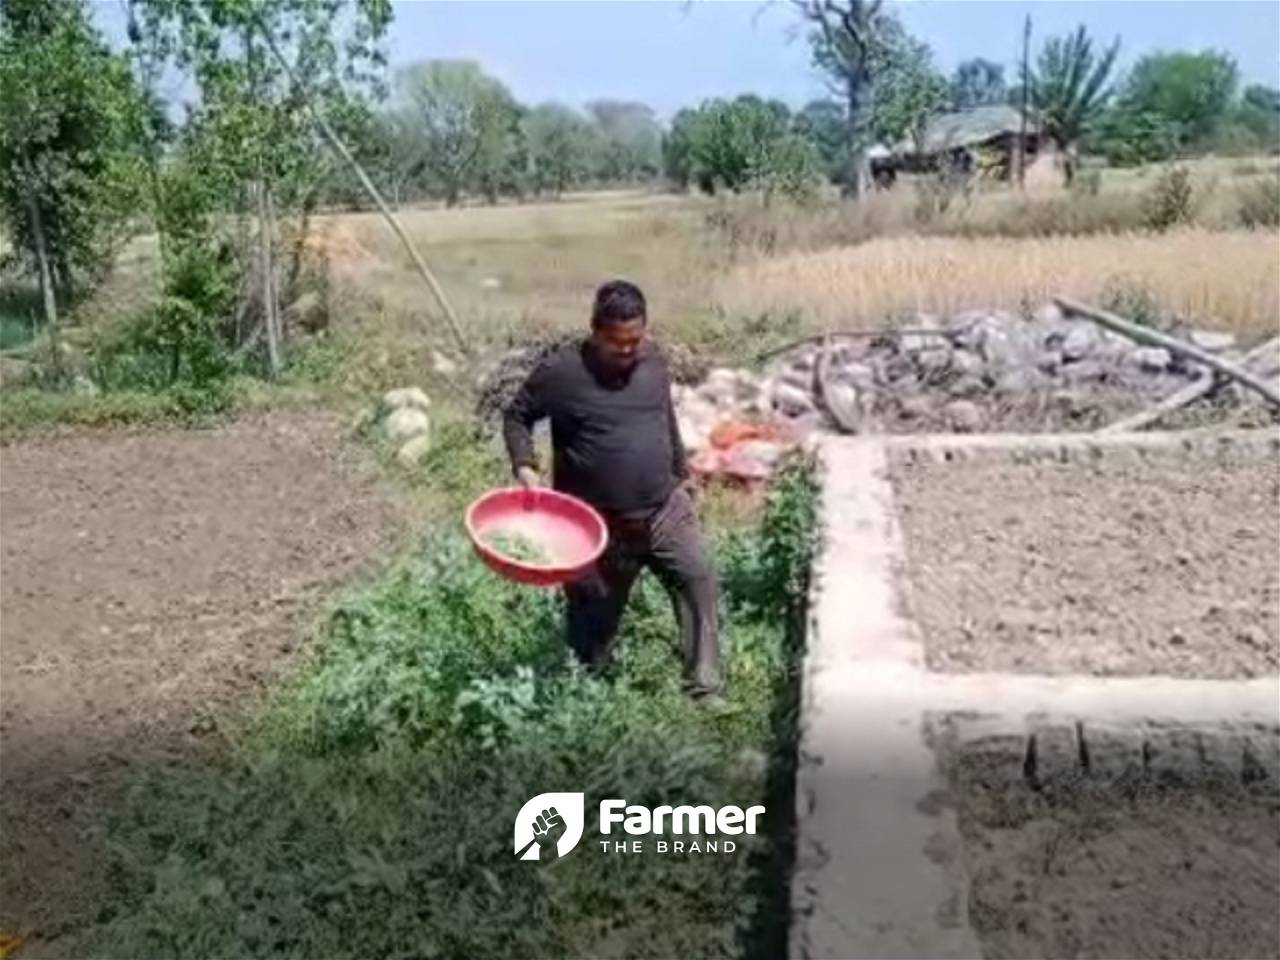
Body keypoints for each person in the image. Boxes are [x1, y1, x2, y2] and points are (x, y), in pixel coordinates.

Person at [502, 280, 722, 704]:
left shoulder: (654, 362)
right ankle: (589, 696)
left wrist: (681, 474)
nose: (627, 351)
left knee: (699, 581)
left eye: (635, 340)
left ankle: (704, 688)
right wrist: (525, 467)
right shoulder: (562, 373)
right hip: (596, 528)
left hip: (664, 511)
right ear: (594, 330)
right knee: (593, 618)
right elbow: (517, 415)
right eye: (616, 342)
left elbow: (665, 418)